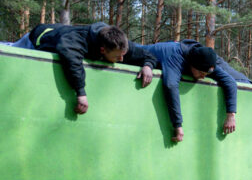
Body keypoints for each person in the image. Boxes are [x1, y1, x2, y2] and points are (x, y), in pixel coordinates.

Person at [14, 23, 157, 114]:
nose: (121, 60)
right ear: (102, 50)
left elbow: (148, 55)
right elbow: (72, 60)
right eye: (117, 57)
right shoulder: (79, 39)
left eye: (123, 55)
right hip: (36, 40)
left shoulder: (120, 45)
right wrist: (81, 93)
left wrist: (147, 66)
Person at [140, 40, 250, 142]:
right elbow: (170, 86)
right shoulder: (175, 57)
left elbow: (230, 81)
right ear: (192, 64)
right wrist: (178, 125)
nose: (203, 77)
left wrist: (230, 116)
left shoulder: (203, 60)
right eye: (201, 73)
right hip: (136, 55)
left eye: (206, 75)